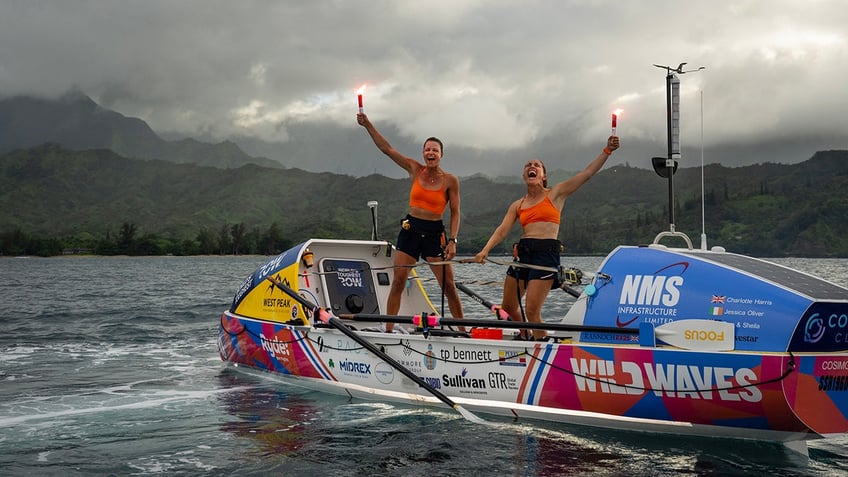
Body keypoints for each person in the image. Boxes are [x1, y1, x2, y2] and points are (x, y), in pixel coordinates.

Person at [473, 136, 620, 340]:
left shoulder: (556, 194)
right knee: (507, 307)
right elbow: (502, 229)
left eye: (536, 165)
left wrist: (607, 151)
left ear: (543, 176)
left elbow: (586, 174)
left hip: (546, 255)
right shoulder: (518, 204)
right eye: (528, 165)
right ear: (524, 175)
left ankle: (541, 344)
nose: (531, 167)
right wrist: (485, 250)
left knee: (532, 311)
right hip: (524, 253)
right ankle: (525, 335)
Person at [357, 112, 464, 332]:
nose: (430, 153)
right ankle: (388, 331)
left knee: (449, 287)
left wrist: (452, 240)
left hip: (435, 234)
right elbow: (387, 149)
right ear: (423, 153)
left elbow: (455, 212)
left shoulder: (450, 180)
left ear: (441, 154)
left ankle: (463, 330)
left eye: (435, 150)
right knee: (398, 282)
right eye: (427, 149)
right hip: (411, 230)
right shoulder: (414, 169)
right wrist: (368, 125)